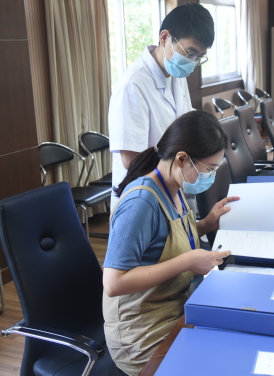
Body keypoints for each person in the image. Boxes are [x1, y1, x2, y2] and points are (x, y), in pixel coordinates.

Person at [103, 111, 238, 375]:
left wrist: (206, 224)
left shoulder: (174, 186)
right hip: (142, 330)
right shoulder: (141, 202)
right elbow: (113, 283)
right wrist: (187, 261)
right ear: (182, 159)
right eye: (209, 169)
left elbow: (164, 241)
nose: (210, 176)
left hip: (175, 305)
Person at [108, 3, 215, 207]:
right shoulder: (133, 85)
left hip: (172, 189)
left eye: (199, 57)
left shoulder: (176, 74)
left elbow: (184, 125)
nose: (193, 62)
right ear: (165, 37)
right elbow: (131, 160)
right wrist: (180, 167)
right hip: (142, 197)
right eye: (190, 53)